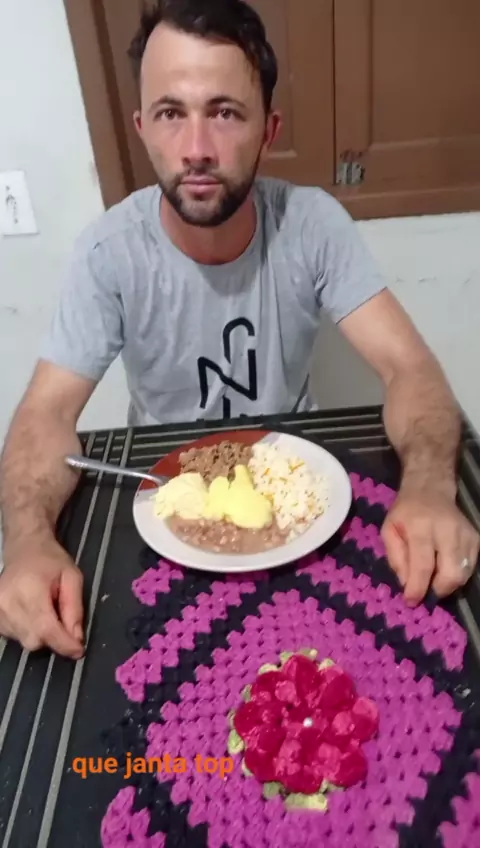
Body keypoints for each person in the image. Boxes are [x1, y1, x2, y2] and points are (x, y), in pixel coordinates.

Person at [0, 0, 478, 660]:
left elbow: (410, 369)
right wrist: (27, 542)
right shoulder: (108, 252)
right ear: (141, 127)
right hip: (167, 506)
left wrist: (427, 488)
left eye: (225, 112)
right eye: (171, 113)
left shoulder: (312, 224)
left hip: (298, 499)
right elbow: (45, 413)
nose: (196, 148)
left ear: (268, 130)